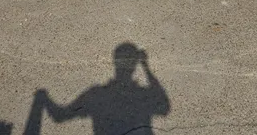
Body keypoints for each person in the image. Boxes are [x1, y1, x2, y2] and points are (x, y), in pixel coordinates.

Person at [27, 43, 169, 134]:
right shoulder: (142, 94)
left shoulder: (96, 94)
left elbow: (59, 116)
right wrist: (146, 67)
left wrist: (42, 98)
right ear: (135, 64)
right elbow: (164, 107)